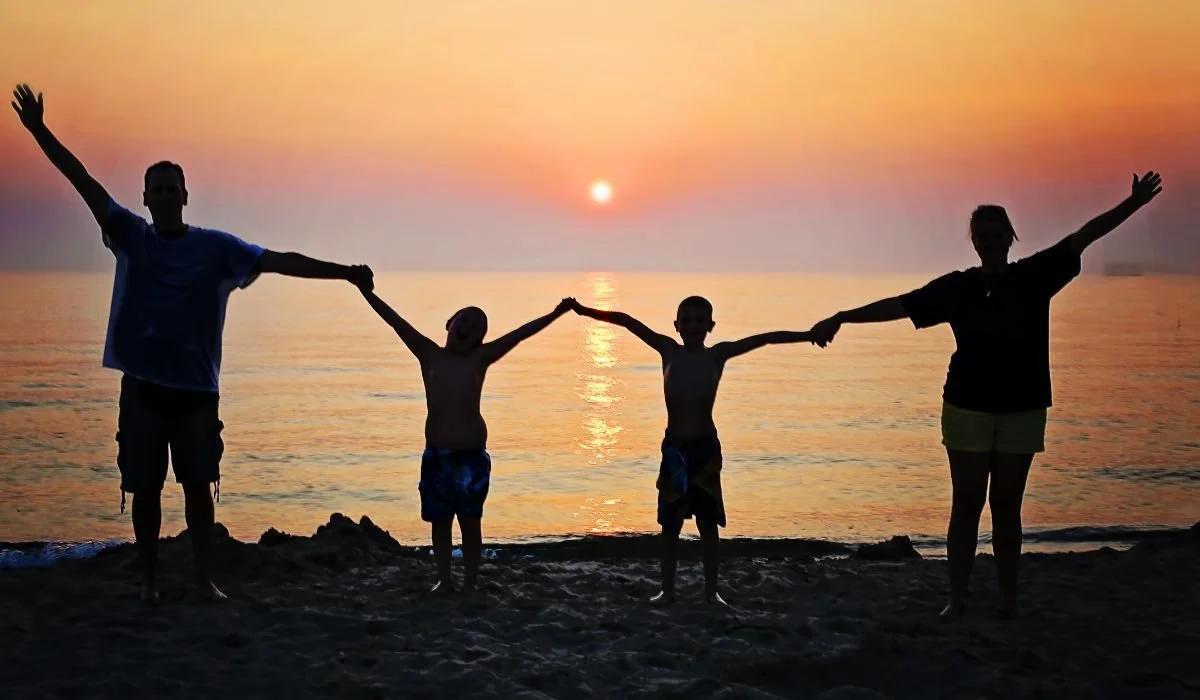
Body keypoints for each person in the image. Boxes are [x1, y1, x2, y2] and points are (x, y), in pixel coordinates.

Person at [12, 84, 374, 602]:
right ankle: (150, 585)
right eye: (155, 189)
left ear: (185, 196)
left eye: (171, 188)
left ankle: (204, 580)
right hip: (143, 389)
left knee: (198, 489)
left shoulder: (216, 248)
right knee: (144, 490)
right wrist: (39, 130)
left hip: (196, 393)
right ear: (145, 198)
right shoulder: (130, 235)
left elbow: (279, 260)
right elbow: (82, 180)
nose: (163, 196)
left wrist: (345, 272)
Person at [809, 172, 1164, 619]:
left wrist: (1133, 203)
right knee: (967, 504)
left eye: (999, 234)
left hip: (1023, 406)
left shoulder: (1035, 275)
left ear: (1011, 237)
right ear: (974, 242)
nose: (992, 242)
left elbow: (1085, 236)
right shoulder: (957, 287)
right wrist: (842, 316)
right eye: (984, 236)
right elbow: (901, 305)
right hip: (967, 405)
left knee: (1007, 508)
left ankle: (1008, 601)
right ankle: (957, 599)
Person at [570, 296, 824, 605]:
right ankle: (667, 590)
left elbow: (765, 338)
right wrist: (584, 310)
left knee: (707, 524)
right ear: (676, 325)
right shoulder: (667, 350)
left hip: (705, 450)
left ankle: (711, 591)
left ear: (710, 326)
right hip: (675, 450)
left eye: (699, 321)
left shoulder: (718, 355)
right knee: (670, 525)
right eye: (686, 320)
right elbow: (627, 321)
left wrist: (808, 335)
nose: (692, 326)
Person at [354, 278, 574, 595]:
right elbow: (395, 321)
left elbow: (520, 334)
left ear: (480, 340)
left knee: (471, 522)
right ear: (450, 322)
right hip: (437, 455)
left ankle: (470, 582)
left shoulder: (479, 359)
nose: (469, 327)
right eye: (466, 319)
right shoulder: (428, 353)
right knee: (440, 522)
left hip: (471, 457)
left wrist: (556, 313)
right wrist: (365, 291)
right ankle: (444, 579)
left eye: (478, 328)